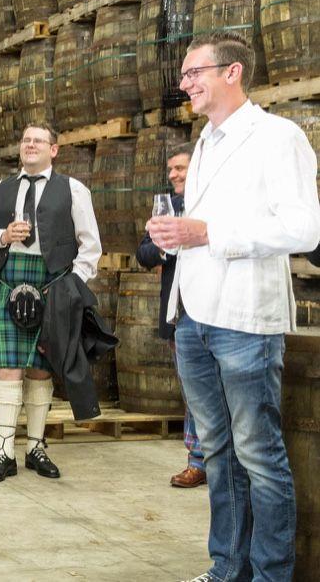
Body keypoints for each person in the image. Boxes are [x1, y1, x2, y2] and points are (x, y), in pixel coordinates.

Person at [148, 31, 320, 582]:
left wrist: (207, 233)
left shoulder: (277, 136)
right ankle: (228, 567)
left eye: (193, 73)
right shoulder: (204, 141)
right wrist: (177, 235)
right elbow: (202, 228)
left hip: (244, 320)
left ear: (232, 72)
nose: (184, 84)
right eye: (183, 75)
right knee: (217, 452)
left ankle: (271, 574)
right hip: (195, 318)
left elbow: (303, 228)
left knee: (259, 455)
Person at [0, 123, 101, 483]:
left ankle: (35, 447)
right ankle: (4, 452)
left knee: (42, 368)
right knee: (8, 368)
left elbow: (91, 244)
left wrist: (72, 285)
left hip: (53, 284)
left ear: (53, 150)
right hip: (9, 281)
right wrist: (3, 235)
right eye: (26, 140)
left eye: (38, 141)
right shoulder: (2, 188)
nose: (30, 145)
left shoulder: (73, 189)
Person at [135, 144, 206, 489]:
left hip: (214, 307)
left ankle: (223, 461)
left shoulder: (210, 203)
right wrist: (164, 247)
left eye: (181, 168)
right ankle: (198, 461)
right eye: (171, 169)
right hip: (180, 312)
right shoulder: (169, 207)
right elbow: (143, 252)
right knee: (193, 391)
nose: (174, 174)